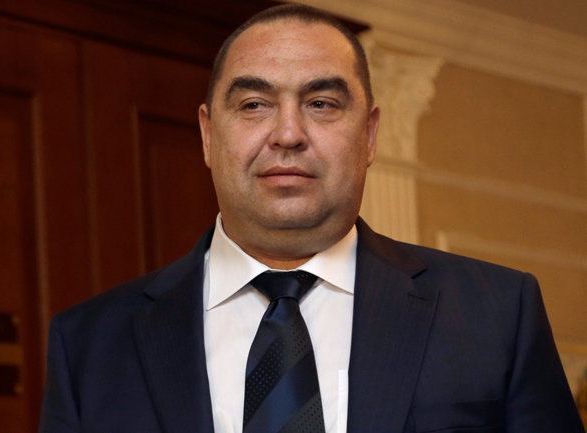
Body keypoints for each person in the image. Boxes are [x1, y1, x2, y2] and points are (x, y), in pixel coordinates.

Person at [38, 4, 585, 433]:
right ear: (207, 135)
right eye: (253, 104)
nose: (288, 134)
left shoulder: (497, 315)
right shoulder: (88, 345)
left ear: (369, 135)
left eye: (321, 103)